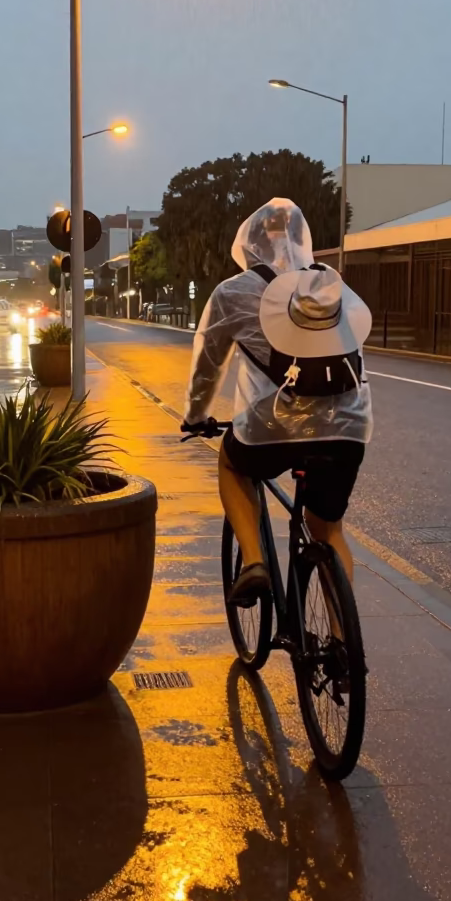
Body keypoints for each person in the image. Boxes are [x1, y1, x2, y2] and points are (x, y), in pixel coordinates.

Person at [181, 198, 373, 607]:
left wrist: (197, 416)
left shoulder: (232, 292)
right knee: (328, 529)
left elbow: (208, 367)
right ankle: (344, 649)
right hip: (349, 425)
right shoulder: (330, 284)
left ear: (249, 244)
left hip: (271, 428)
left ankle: (253, 562)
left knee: (232, 464)